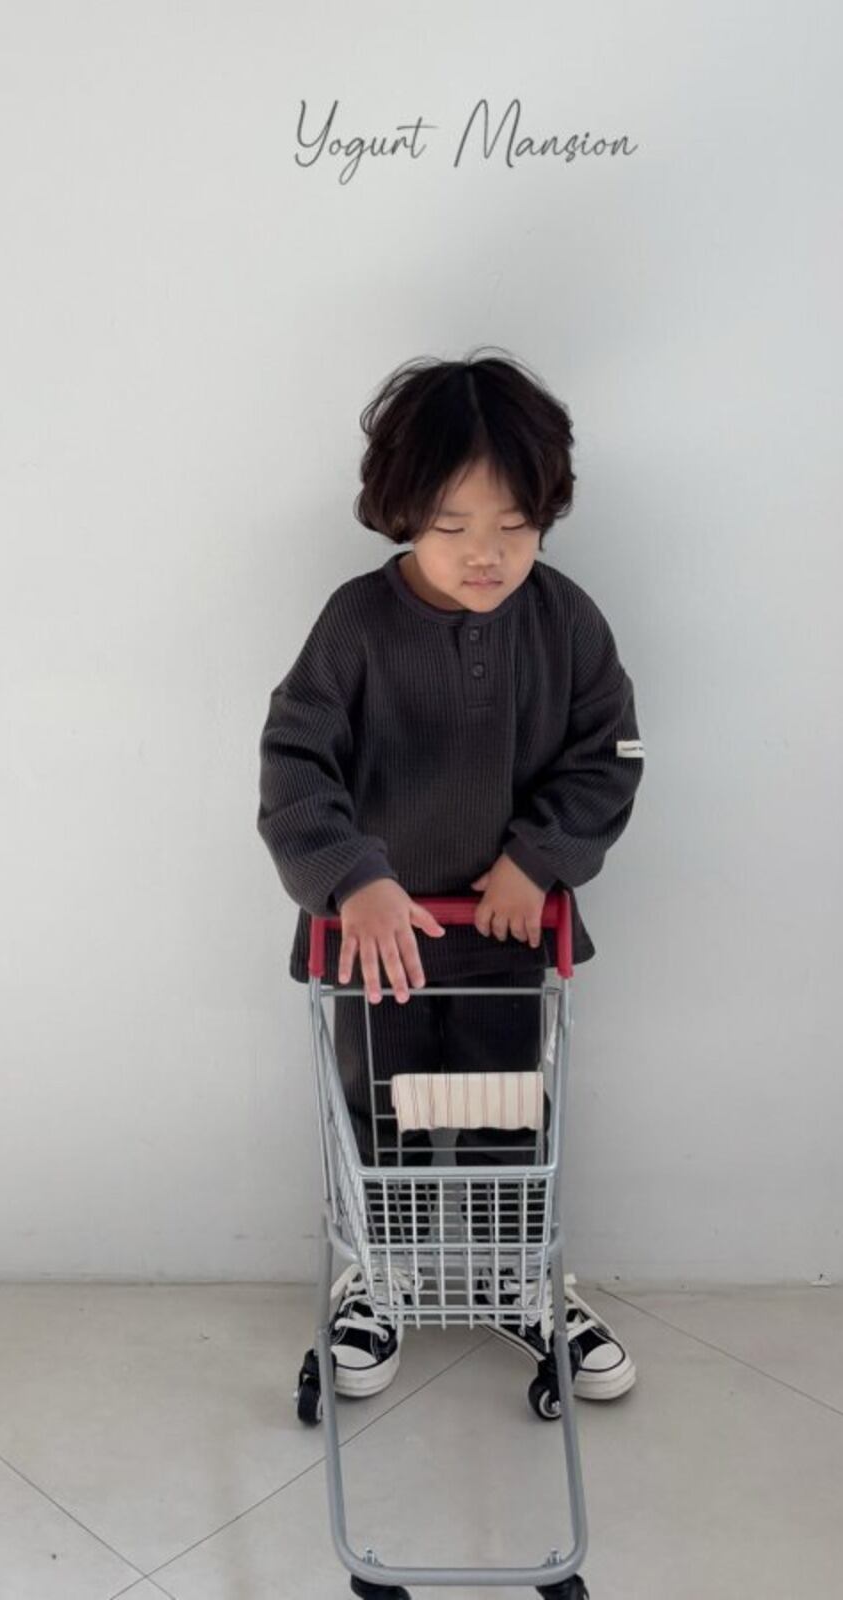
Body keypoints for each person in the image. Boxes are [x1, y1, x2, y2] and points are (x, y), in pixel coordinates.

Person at [257, 349, 645, 1405]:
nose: (486, 553)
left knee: (507, 1112)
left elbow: (611, 756)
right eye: (452, 525)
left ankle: (519, 1273)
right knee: (377, 1116)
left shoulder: (566, 622)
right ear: (401, 514)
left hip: (507, 940)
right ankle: (377, 1278)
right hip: (372, 947)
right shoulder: (355, 625)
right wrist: (351, 877)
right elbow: (293, 763)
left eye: (514, 525)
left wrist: (537, 859)